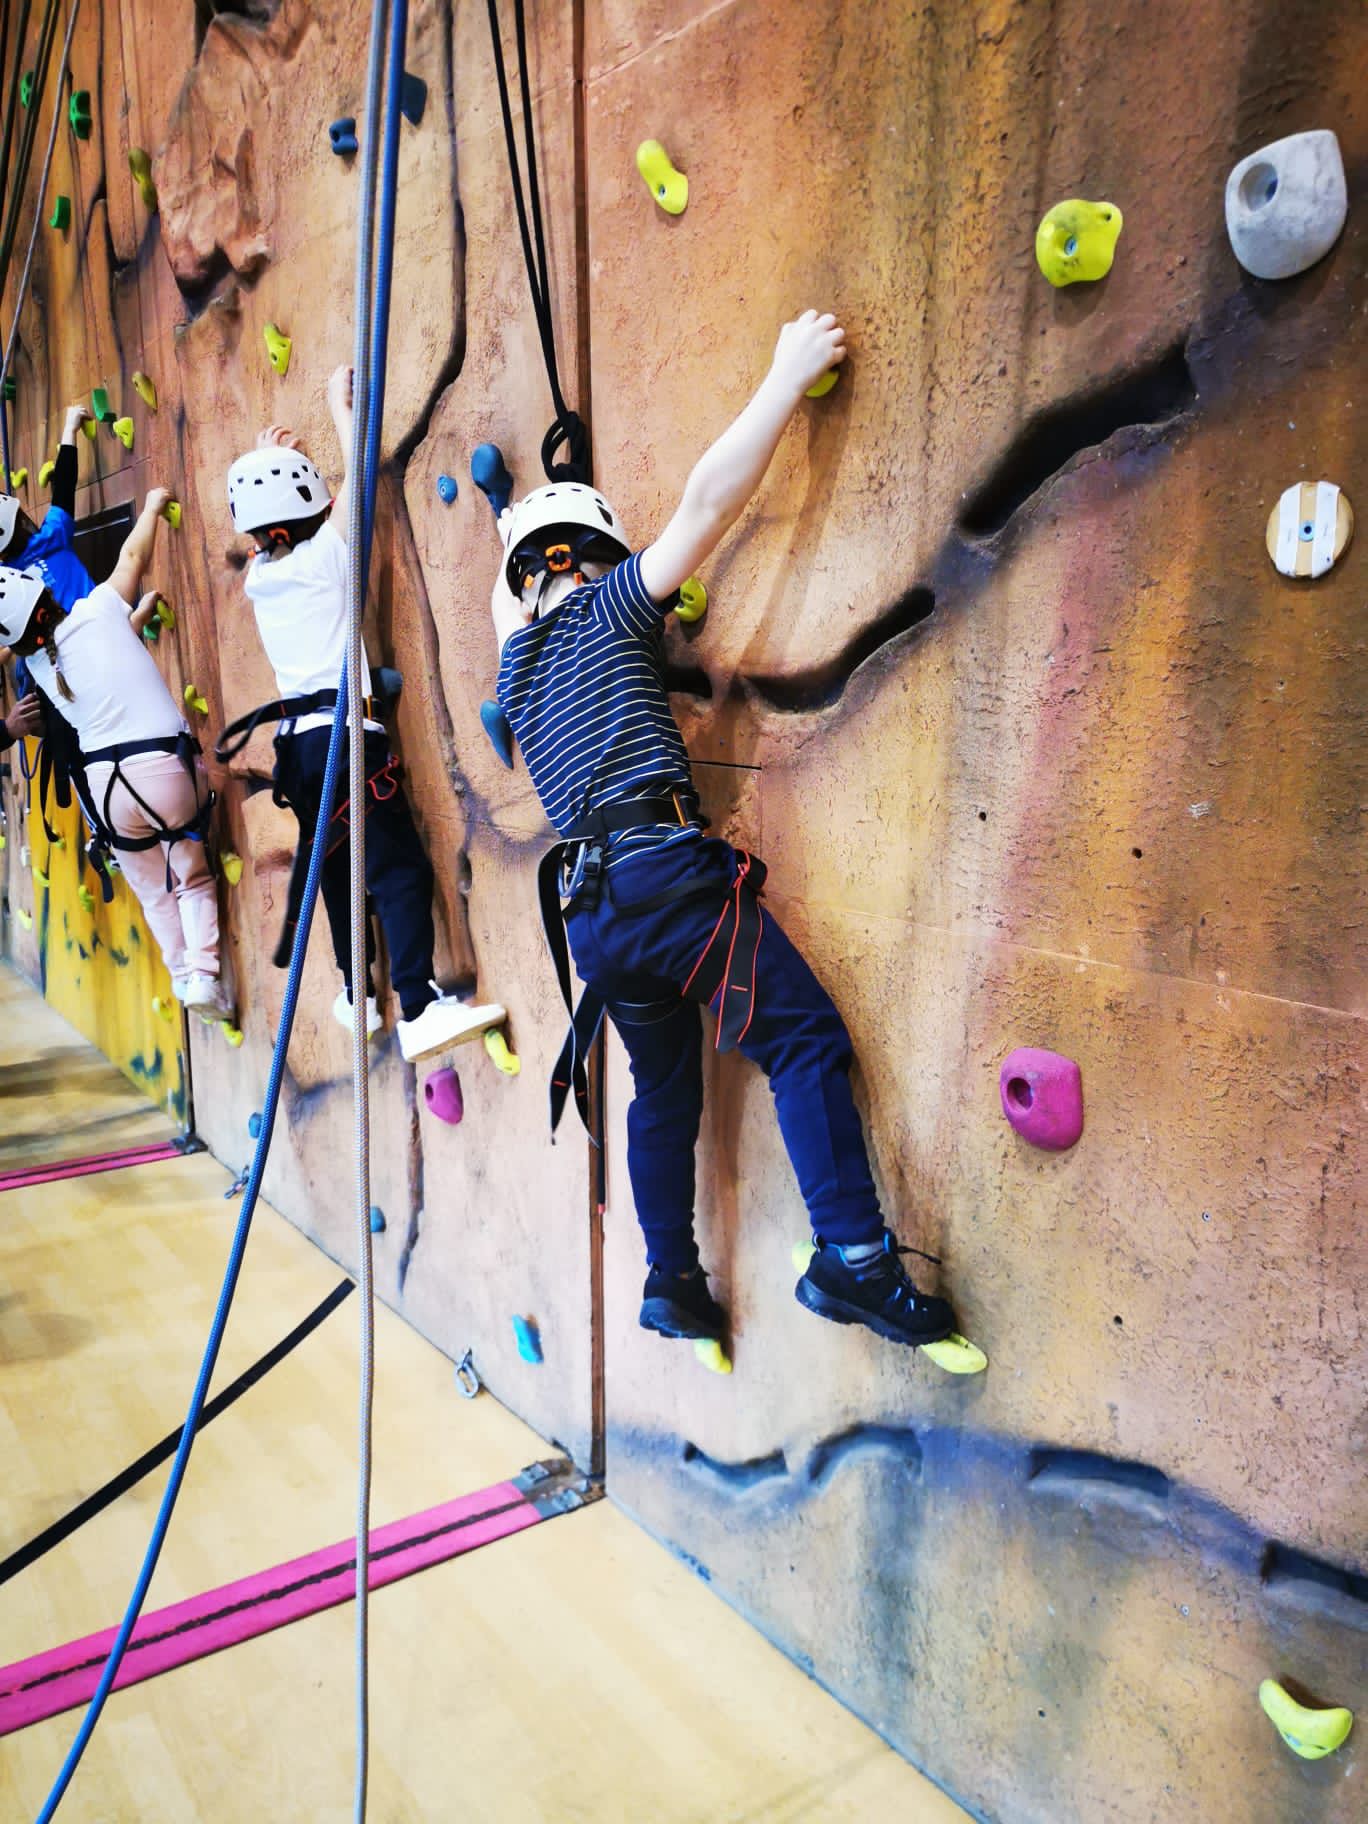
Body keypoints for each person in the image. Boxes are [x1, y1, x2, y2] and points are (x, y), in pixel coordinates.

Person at [495, 309, 962, 1356]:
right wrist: (785, 377)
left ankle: (672, 1280)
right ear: (594, 561)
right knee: (799, 1039)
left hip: (598, 922)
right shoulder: (611, 609)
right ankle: (856, 1260)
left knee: (662, 1088)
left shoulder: (515, 673)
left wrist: (519, 546)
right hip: (668, 885)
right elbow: (709, 501)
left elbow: (510, 591)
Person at [225, 364, 503, 1062]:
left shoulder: (262, 577)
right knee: (399, 871)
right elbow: (358, 482)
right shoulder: (326, 559)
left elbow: (290, 517)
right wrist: (336, 404)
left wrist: (271, 460)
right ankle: (415, 1006)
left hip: (298, 748)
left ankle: (358, 991)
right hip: (346, 738)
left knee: (343, 868)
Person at [0, 488, 231, 1020]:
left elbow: (92, 660)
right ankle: (202, 973)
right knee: (191, 873)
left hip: (106, 791)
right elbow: (132, 558)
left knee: (155, 892)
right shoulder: (98, 608)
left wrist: (136, 616)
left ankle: (180, 976)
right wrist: (149, 507)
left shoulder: (39, 669)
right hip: (159, 767)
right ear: (45, 598)